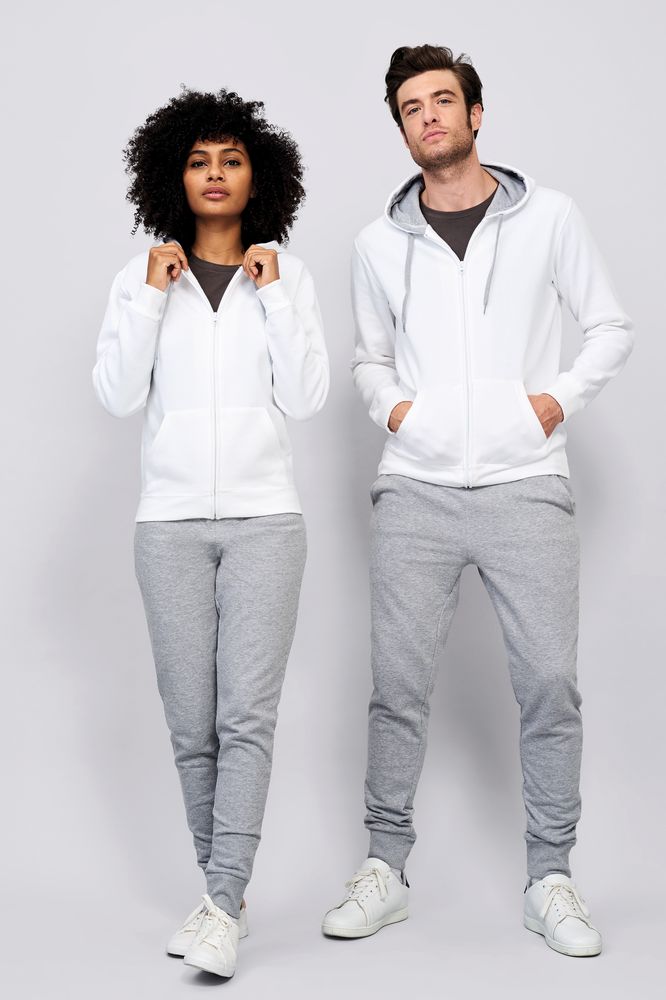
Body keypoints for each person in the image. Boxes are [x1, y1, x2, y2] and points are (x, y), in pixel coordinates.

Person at [322, 45, 633, 957]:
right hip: (415, 488)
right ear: (402, 128)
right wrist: (400, 414)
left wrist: (553, 403)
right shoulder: (377, 244)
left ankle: (551, 877)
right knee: (397, 688)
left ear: (476, 113)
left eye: (442, 100)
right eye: (411, 108)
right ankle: (385, 870)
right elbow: (368, 360)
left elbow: (609, 326)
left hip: (526, 482)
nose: (428, 116)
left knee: (549, 685)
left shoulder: (551, 218)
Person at [93, 86, 329, 978]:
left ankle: (222, 904)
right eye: (199, 161)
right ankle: (221, 895)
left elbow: (307, 397)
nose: (216, 174)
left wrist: (276, 299)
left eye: (232, 160)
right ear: (174, 177)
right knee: (192, 725)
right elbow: (117, 395)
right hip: (169, 524)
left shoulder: (286, 276)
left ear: (258, 177)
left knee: (246, 718)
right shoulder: (142, 277)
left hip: (268, 521)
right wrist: (152, 300)